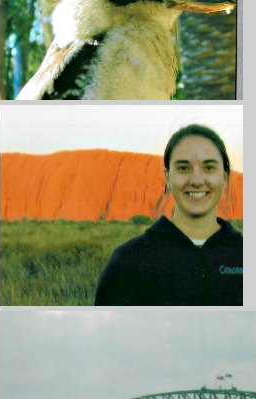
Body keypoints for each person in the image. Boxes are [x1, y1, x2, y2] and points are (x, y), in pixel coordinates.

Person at [94, 125, 243, 306]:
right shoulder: (128, 261)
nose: (196, 181)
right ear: (167, 177)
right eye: (183, 168)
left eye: (209, 167)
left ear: (225, 177)